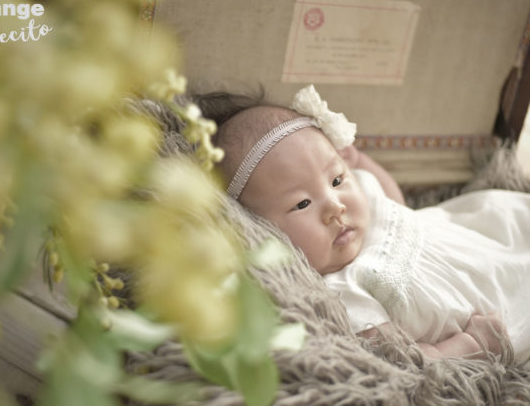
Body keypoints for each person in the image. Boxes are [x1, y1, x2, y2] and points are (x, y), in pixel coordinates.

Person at [198, 85, 530, 362]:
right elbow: (407, 359)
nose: (334, 205)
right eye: (301, 203)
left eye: (337, 178)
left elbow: (395, 202)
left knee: (514, 217)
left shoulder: (358, 195)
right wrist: (472, 347)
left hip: (475, 234)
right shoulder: (342, 293)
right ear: (259, 231)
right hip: (493, 297)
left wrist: (361, 162)